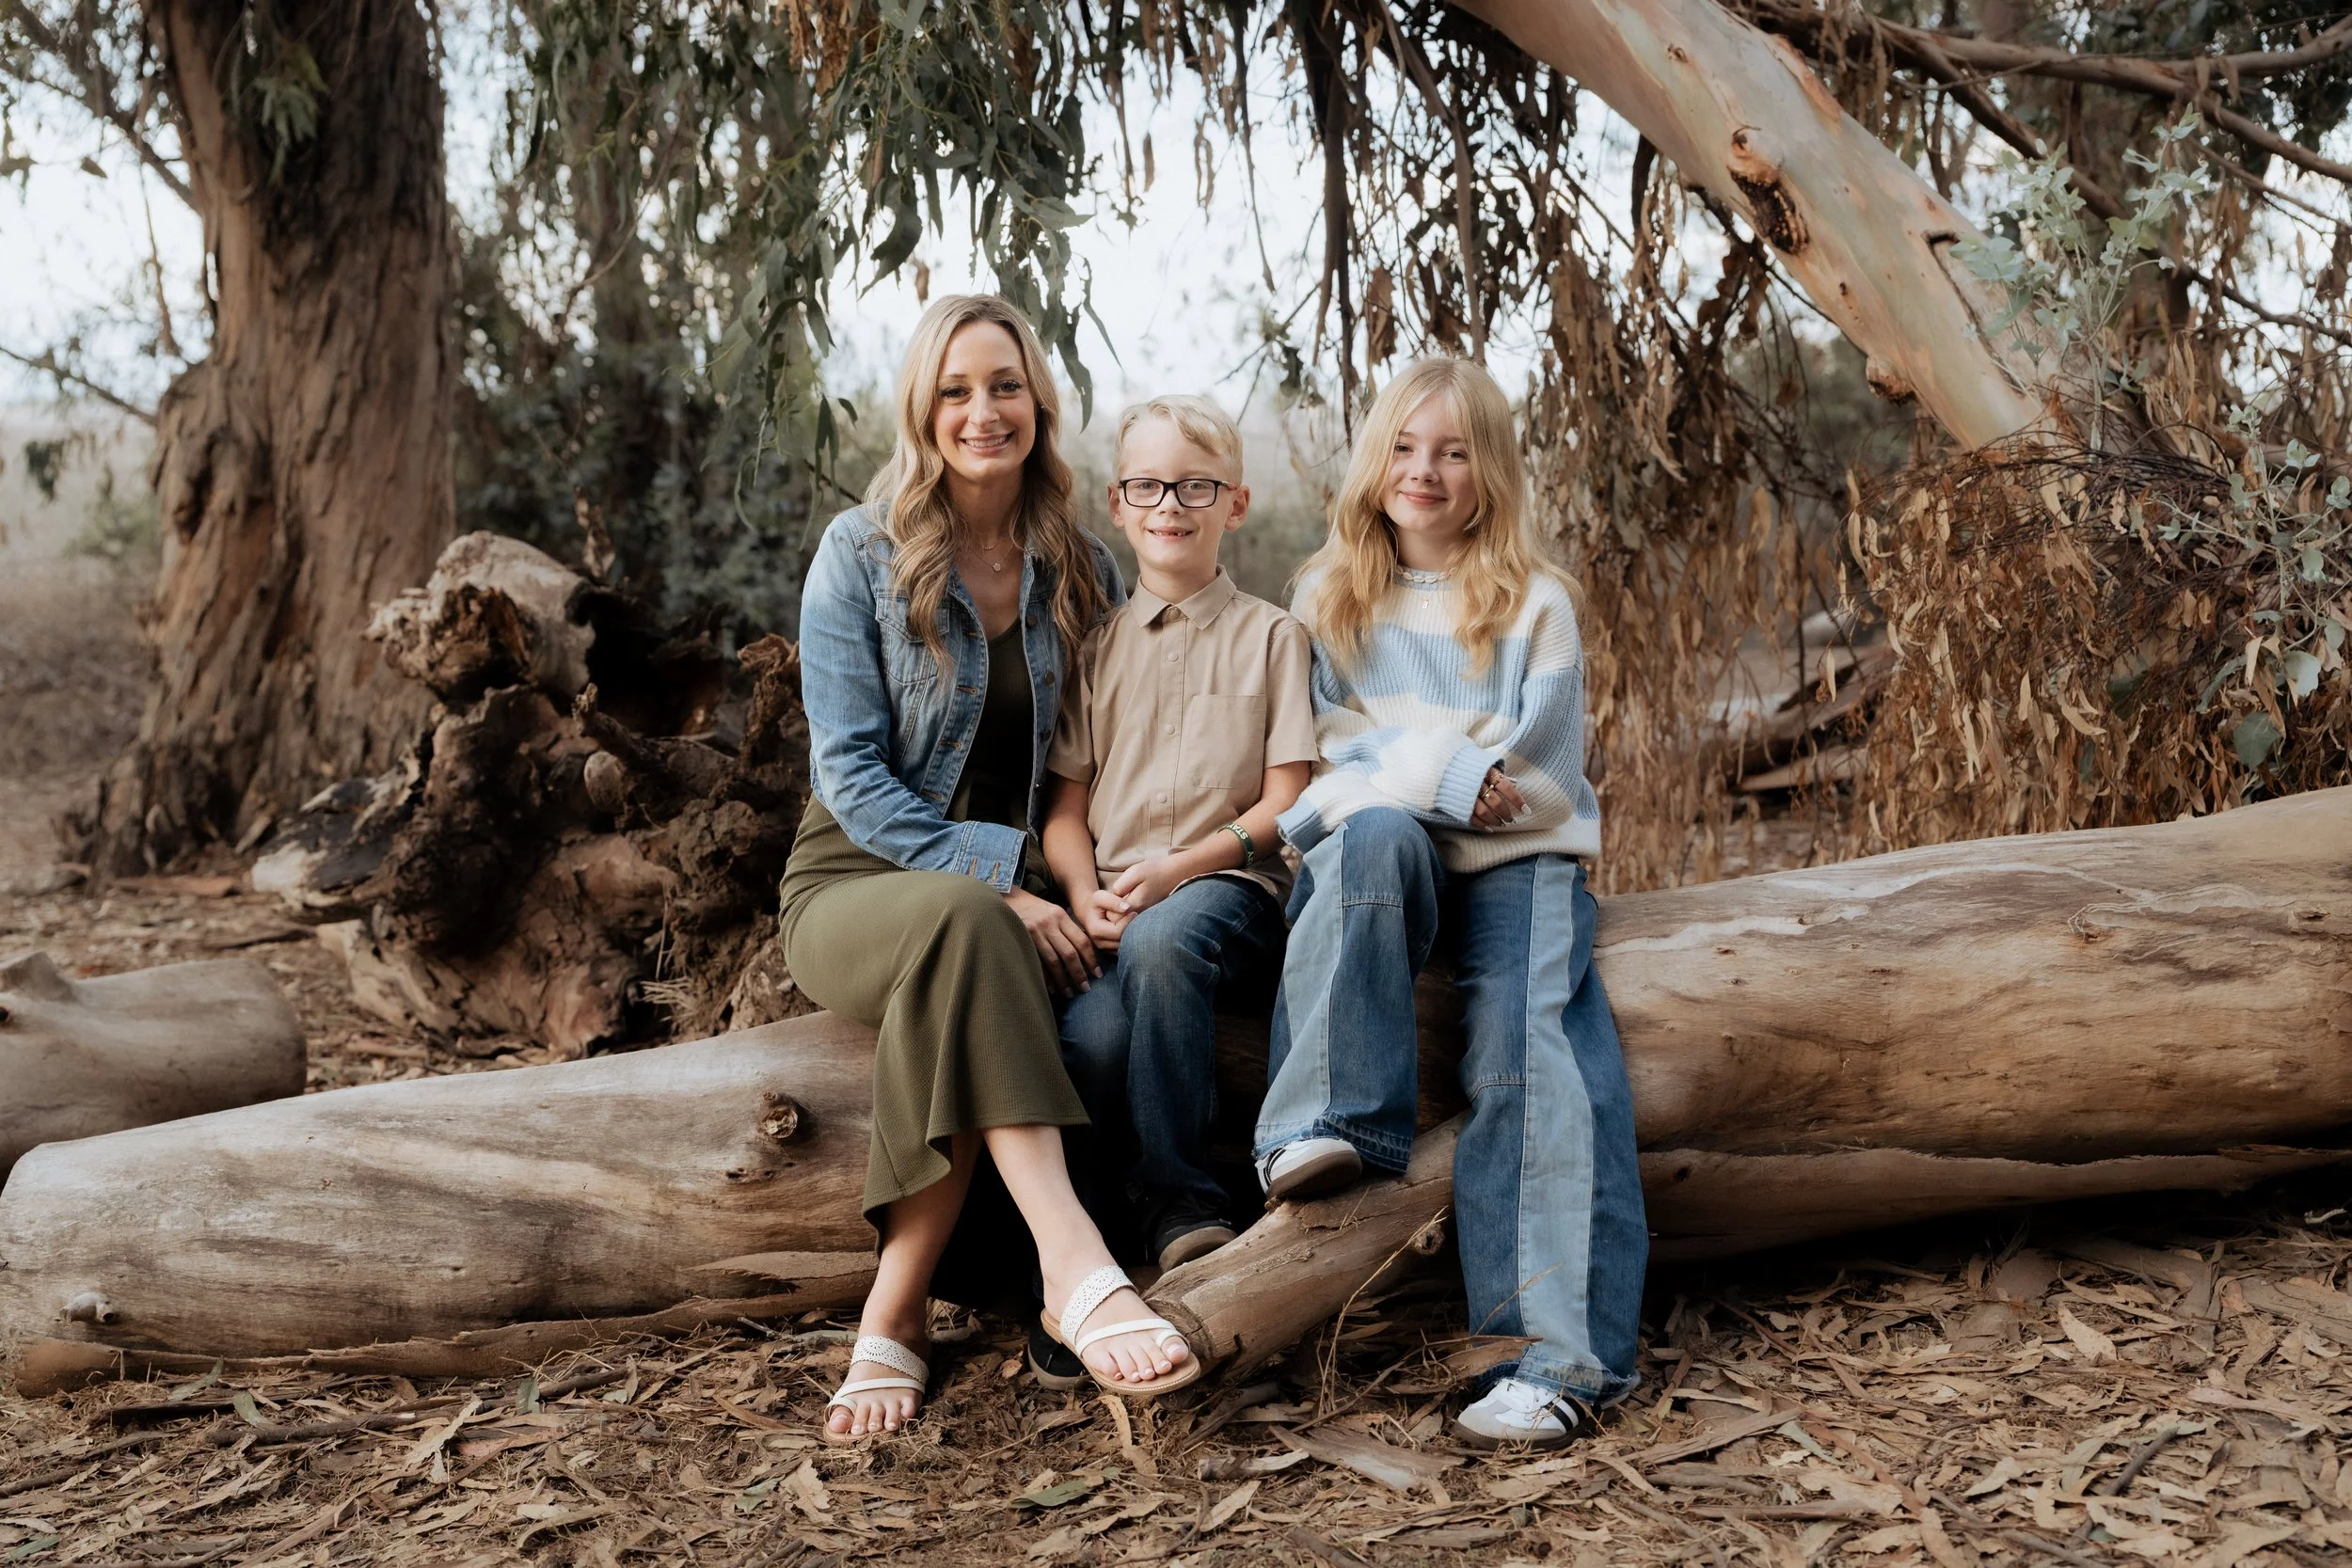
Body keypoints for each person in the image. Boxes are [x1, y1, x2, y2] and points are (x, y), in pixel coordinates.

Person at [781, 295, 1200, 1441]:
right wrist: (1000, 885)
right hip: (858, 879)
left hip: (1020, 893)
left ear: (1038, 403)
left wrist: (1105, 882)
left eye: (1004, 386)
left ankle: (931, 1305)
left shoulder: (1082, 563)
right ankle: (1070, 1266)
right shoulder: (858, 554)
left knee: (1103, 1027)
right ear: (923, 408)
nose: (983, 410)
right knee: (968, 929)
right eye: (956, 390)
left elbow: (1125, 746)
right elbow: (853, 775)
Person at [1254, 357, 1648, 1449]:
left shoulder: (1535, 604)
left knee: (1526, 1046)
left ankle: (1555, 1357)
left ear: (1490, 470)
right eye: (1404, 445)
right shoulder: (1325, 594)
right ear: (1374, 459)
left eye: (1454, 450)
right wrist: (1429, 772)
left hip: (1519, 860)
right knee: (1366, 832)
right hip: (1389, 855)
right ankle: (1323, 1121)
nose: (1423, 470)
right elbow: (1320, 761)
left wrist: (1415, 767)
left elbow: (1533, 779)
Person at [1042, 395, 1319, 1277]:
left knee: (1166, 940)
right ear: (1116, 505)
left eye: (1196, 486)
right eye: (1149, 487)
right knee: (1092, 1040)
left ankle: (1186, 1204)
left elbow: (1288, 799)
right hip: (1110, 904)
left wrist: (1178, 870)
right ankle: (1085, 1257)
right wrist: (1084, 896)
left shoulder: (1274, 638)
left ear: (1233, 504)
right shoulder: (1093, 649)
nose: (1171, 505)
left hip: (1229, 895)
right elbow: (1065, 809)